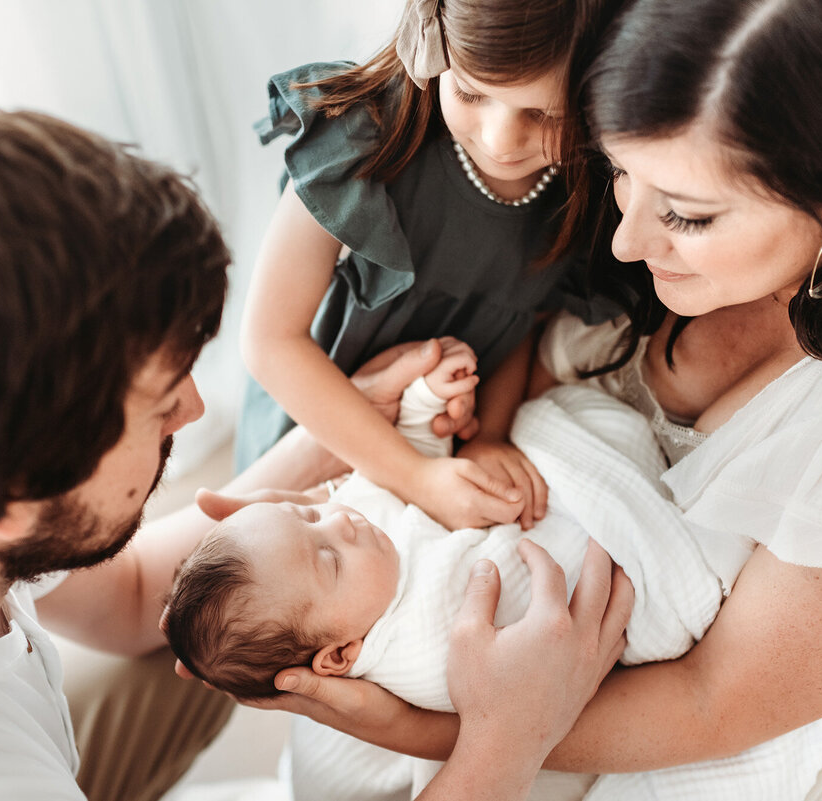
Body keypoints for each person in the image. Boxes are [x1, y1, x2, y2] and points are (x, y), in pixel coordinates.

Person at [232, 0, 822, 798]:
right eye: (620, 171)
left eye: (686, 216)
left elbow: (711, 699)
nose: (625, 239)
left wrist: (425, 726)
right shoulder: (648, 184)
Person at [0, 99, 630, 801]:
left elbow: (129, 598)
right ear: (12, 490)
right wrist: (508, 736)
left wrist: (341, 433)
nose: (194, 409)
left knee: (219, 635)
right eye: (161, 402)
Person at [166, 343, 822, 800]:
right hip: (553, 619)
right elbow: (520, 653)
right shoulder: (417, 650)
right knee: (645, 569)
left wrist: (430, 404)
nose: (337, 521)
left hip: (515, 513)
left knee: (562, 439)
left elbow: (406, 473)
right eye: (326, 555)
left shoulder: (354, 533)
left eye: (308, 519)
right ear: (341, 654)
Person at [237, 0, 627, 531]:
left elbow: (522, 324)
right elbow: (269, 341)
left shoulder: (582, 197)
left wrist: (489, 435)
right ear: (436, 49)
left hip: (438, 444)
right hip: (315, 429)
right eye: (470, 92)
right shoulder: (359, 135)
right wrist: (415, 477)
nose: (500, 140)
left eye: (546, 114)